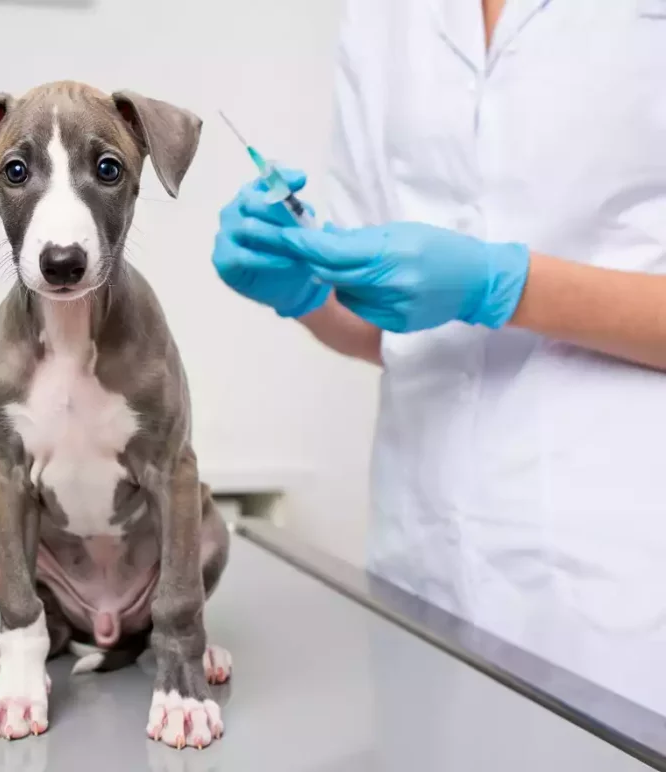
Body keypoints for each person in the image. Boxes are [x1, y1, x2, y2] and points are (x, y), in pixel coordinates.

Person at [212, 0, 666, 716]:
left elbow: (462, 283)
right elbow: (393, 327)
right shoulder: (379, 17)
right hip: (423, 564)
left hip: (626, 582)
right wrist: (304, 290)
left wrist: (504, 285)